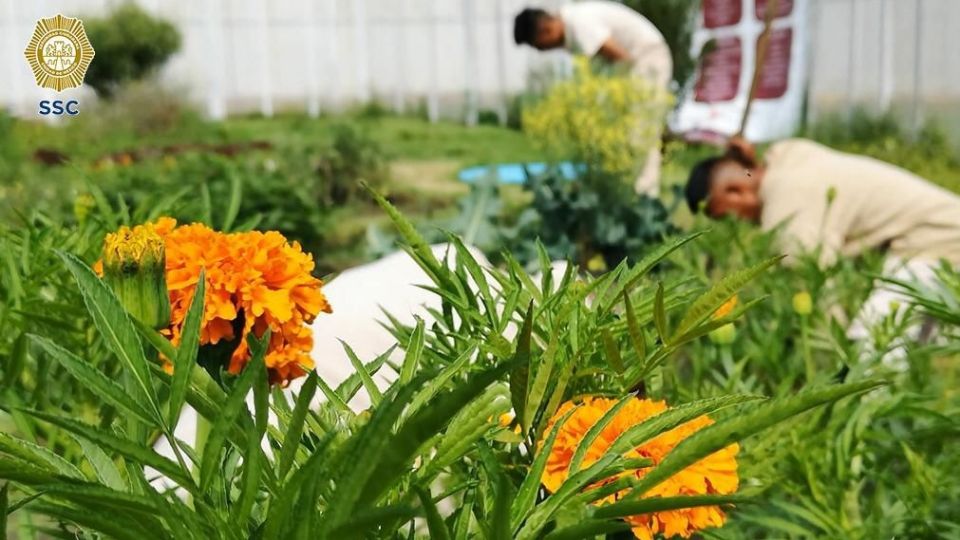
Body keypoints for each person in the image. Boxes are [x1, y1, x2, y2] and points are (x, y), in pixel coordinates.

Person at [685, 137, 960, 362]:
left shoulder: (787, 204)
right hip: (936, 230)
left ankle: (876, 424)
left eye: (727, 215)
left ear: (735, 191)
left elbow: (816, 287)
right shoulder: (788, 157)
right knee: (928, 346)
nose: (741, 223)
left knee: (874, 341)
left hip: (932, 239)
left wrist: (828, 357)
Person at [513, 2, 673, 196]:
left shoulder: (579, 25)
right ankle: (623, 192)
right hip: (635, 66)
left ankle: (645, 197)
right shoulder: (573, 26)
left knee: (640, 135)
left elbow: (621, 57)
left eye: (538, 45)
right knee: (622, 136)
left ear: (545, 30)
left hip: (647, 60)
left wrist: (610, 97)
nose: (542, 50)